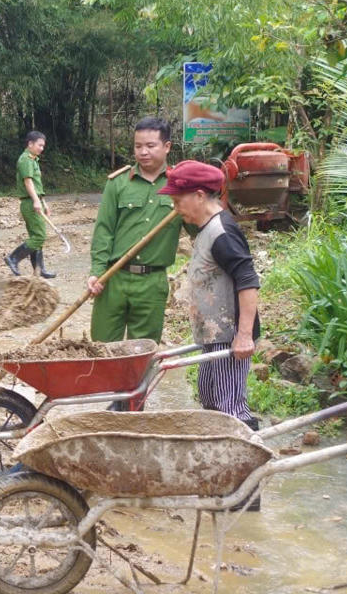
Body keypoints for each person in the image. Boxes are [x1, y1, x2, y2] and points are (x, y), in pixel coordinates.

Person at [159, 160, 261, 430]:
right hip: (212, 336)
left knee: (230, 407)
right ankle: (218, 454)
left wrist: (244, 335)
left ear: (200, 196)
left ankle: (247, 455)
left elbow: (248, 281)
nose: (175, 207)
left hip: (229, 337)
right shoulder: (207, 229)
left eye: (178, 200)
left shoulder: (222, 233)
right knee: (209, 396)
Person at [87, 117, 182, 343]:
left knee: (143, 352)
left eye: (150, 146)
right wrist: (97, 271)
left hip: (152, 283)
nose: (143, 152)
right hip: (114, 277)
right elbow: (104, 230)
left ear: (167, 147)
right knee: (103, 347)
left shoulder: (179, 185)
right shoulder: (118, 183)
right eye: (138, 146)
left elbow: (199, 226)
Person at [4, 131, 55, 278]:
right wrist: (36, 201)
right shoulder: (25, 160)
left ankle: (39, 270)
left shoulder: (33, 160)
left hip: (34, 200)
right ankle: (13, 258)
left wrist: (43, 202)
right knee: (39, 236)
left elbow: (37, 185)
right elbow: (28, 182)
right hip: (29, 202)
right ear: (30, 144)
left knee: (36, 236)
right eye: (39, 145)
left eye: (43, 146)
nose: (41, 148)